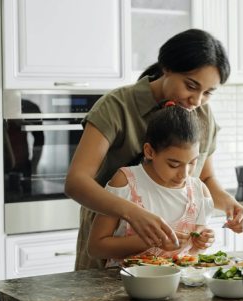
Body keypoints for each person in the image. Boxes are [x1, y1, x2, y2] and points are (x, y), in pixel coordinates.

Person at [65, 28, 243, 270]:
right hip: (111, 241)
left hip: (171, 260)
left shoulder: (201, 113)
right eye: (191, 86)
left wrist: (228, 203)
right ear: (167, 68)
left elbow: (204, 177)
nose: (197, 100)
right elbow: (76, 182)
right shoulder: (117, 106)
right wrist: (133, 213)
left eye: (208, 93)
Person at [88, 101, 214, 266]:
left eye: (192, 163)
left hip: (178, 285)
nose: (184, 174)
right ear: (149, 151)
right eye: (174, 165)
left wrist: (202, 242)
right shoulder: (126, 182)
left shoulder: (199, 192)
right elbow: (96, 248)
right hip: (125, 284)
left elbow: (192, 254)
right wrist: (152, 240)